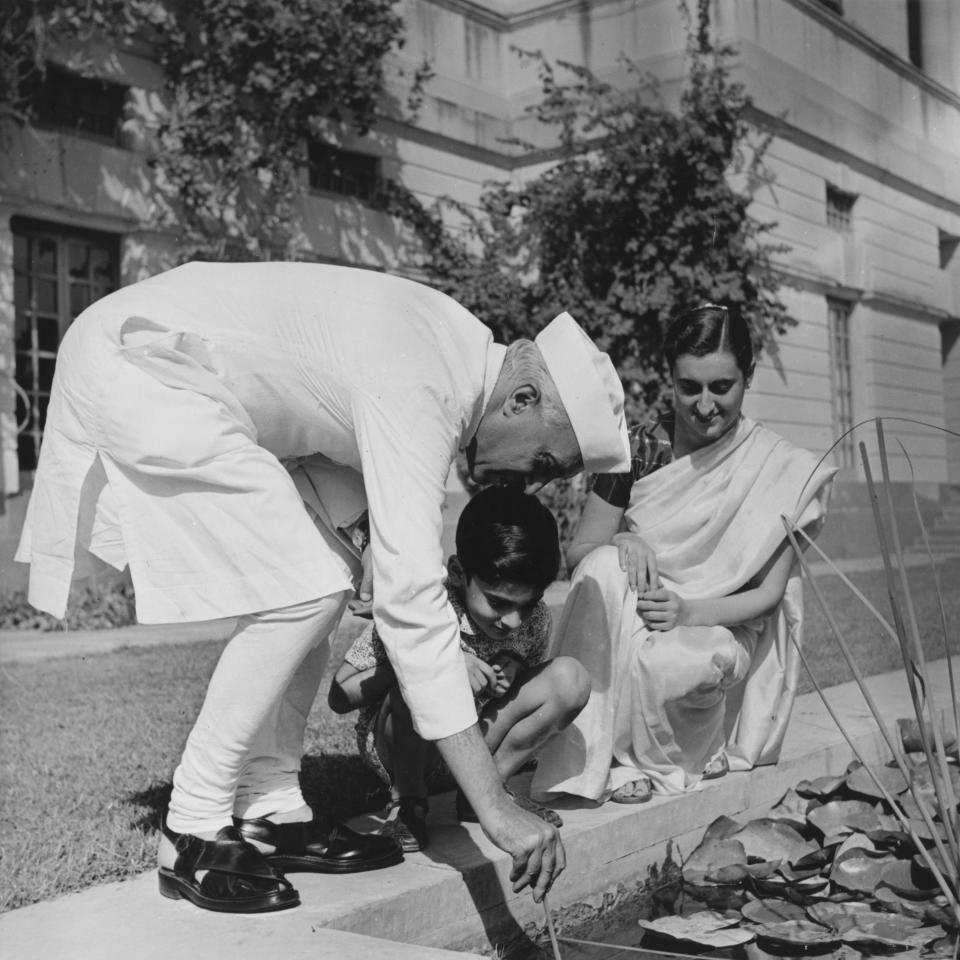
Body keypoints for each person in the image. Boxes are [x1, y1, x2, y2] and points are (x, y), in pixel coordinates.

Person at [15, 261, 630, 914]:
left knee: (320, 583)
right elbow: (411, 605)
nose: (527, 485)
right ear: (522, 400)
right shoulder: (430, 382)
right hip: (145, 364)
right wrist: (495, 807)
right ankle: (191, 825)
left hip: (184, 378)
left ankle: (272, 807)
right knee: (303, 590)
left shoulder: (453, 355)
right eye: (541, 463)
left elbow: (327, 448)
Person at [530, 304, 836, 806]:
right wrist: (624, 540)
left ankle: (671, 755)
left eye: (722, 386)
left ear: (748, 376)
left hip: (716, 625)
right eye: (689, 387)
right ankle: (584, 761)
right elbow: (582, 553)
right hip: (642, 614)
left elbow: (768, 594)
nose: (705, 404)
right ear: (669, 378)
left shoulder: (777, 466)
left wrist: (687, 611)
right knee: (603, 566)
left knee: (670, 665)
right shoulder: (641, 446)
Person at [329, 486, 588, 852]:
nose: (513, 621)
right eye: (498, 602)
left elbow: (527, 692)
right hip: (408, 755)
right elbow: (340, 696)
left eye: (527, 605)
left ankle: (486, 791)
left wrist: (510, 673)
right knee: (419, 683)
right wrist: (435, 662)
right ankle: (409, 804)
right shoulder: (425, 610)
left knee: (571, 679)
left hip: (476, 750)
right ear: (457, 572)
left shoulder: (534, 622)